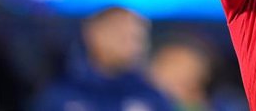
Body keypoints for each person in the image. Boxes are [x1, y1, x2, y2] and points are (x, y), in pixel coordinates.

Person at [31, 6, 173, 111]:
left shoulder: (151, 96)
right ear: (93, 34)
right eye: (121, 35)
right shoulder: (61, 95)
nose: (132, 45)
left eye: (137, 38)